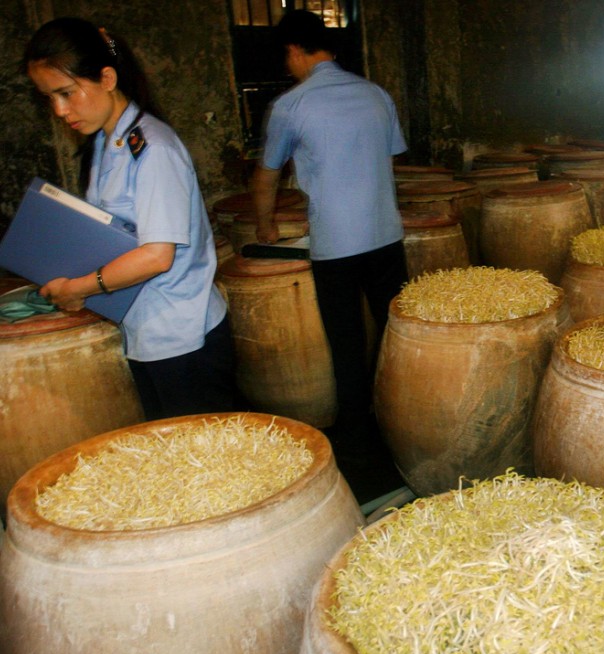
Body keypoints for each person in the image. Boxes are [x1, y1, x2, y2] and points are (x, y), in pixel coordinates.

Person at [24, 17, 239, 421]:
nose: (59, 110)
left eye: (66, 93)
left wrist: (79, 287)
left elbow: (157, 256)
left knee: (203, 467)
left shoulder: (152, 148)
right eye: (48, 98)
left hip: (182, 337)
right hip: (145, 329)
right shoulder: (107, 143)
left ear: (107, 77)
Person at [251, 10, 408, 494]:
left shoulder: (291, 106)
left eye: (287, 57)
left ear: (295, 51)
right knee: (395, 332)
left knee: (345, 343)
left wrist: (265, 225)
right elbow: (385, 160)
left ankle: (358, 443)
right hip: (387, 236)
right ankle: (404, 421)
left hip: (336, 246)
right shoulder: (377, 95)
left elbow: (267, 175)